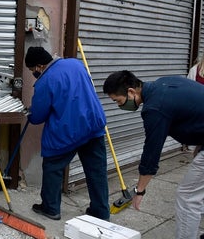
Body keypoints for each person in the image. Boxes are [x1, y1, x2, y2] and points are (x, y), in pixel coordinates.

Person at [103, 70, 204, 239]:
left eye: (118, 101)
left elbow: (152, 152)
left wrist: (139, 190)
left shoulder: (154, 108)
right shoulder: (162, 83)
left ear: (131, 92)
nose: (119, 106)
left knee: (187, 197)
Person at [25, 46, 110, 221]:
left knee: (52, 167)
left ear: (40, 66)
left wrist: (30, 112)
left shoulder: (45, 80)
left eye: (33, 69)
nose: (34, 72)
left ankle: (51, 208)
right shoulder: (75, 64)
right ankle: (100, 211)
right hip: (93, 125)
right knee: (96, 171)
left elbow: (38, 116)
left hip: (68, 131)